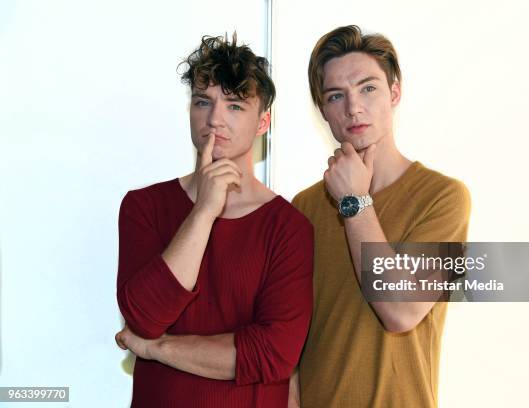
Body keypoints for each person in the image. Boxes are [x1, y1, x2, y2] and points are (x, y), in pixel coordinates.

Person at [114, 33, 313, 408]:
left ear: (262, 122)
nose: (214, 119)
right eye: (202, 102)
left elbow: (274, 354)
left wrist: (158, 349)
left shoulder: (289, 227)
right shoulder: (144, 207)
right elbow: (144, 318)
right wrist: (204, 210)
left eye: (235, 106)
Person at [289, 25, 471, 408]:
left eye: (368, 88)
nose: (353, 107)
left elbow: (401, 310)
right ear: (323, 111)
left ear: (394, 92)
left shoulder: (443, 198)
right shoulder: (304, 207)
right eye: (336, 95)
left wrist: (354, 201)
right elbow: (289, 341)